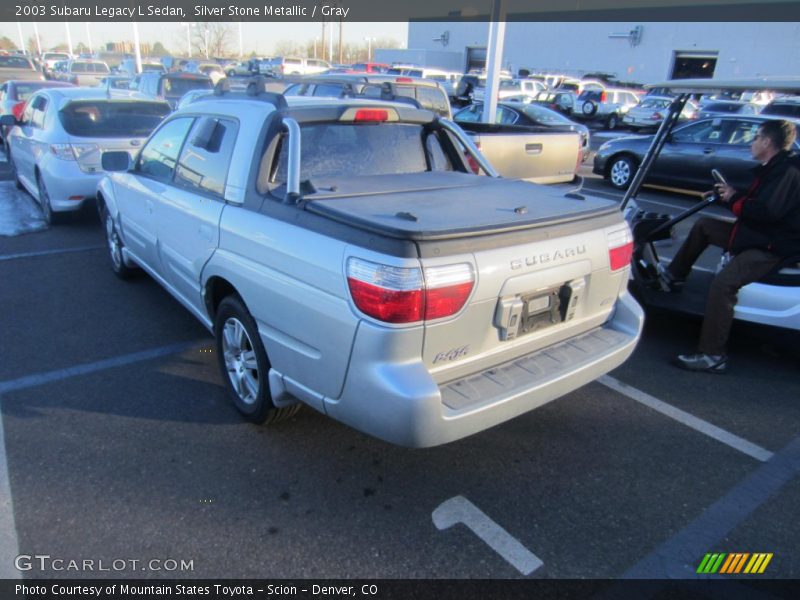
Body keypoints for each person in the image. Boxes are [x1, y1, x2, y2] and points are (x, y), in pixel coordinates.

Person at [657, 119, 800, 373]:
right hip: (757, 234)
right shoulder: (773, 168)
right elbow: (755, 205)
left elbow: (767, 211)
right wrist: (726, 196)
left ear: (768, 142)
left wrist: (733, 197)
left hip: (772, 246)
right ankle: (673, 277)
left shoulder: (787, 172)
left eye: (756, 137)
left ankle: (713, 355)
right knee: (704, 226)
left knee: (723, 284)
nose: (752, 142)